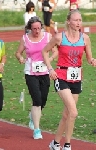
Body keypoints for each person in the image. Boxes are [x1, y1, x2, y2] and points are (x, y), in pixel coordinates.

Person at [42, 9, 96, 150]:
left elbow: (89, 58)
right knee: (73, 112)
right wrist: (50, 69)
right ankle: (67, 145)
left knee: (67, 114)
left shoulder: (85, 38)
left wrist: (92, 60)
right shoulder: (60, 37)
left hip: (76, 77)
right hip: (61, 76)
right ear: (68, 21)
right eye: (76, 20)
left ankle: (55, 143)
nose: (78, 23)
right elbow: (45, 51)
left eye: (80, 20)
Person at [15, 16, 58, 139]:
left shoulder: (48, 37)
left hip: (44, 72)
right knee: (37, 100)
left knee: (43, 100)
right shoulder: (25, 39)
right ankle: (37, 130)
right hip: (31, 72)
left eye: (39, 28)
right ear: (30, 28)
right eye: (34, 29)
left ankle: (32, 116)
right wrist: (20, 58)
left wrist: (49, 59)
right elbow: (18, 52)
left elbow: (55, 51)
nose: (37, 31)